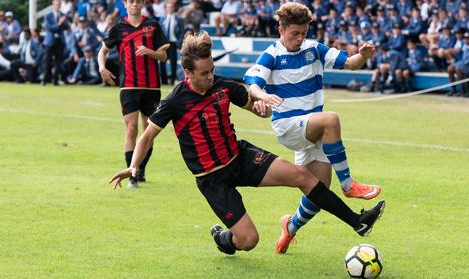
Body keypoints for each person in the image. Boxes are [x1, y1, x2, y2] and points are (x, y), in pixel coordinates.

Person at [109, 32, 386, 256]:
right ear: (187, 72)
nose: (210, 77)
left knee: (303, 176)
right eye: (204, 73)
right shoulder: (175, 101)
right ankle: (224, 238)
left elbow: (253, 105)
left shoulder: (222, 86)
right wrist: (134, 167)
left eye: (212, 70)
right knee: (249, 240)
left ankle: (357, 222)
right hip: (212, 178)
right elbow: (146, 136)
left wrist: (262, 107)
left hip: (239, 157)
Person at [242, 2, 382, 254]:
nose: (299, 38)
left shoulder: (314, 49)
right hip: (288, 127)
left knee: (318, 192)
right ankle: (349, 184)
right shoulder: (271, 55)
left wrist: (364, 56)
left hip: (313, 131)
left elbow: (350, 63)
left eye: (303, 33)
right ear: (281, 29)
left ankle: (290, 227)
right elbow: (252, 84)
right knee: (331, 119)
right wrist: (262, 95)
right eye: (295, 33)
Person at [98, 0, 169, 189]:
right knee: (131, 129)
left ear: (143, 3)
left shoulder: (153, 26)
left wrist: (150, 52)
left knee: (149, 131)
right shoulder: (118, 27)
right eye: (131, 1)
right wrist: (102, 68)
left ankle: (140, 168)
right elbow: (102, 51)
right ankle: (132, 173)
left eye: (138, 1)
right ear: (125, 3)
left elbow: (164, 56)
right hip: (128, 86)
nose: (134, 5)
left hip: (152, 87)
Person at [42, 0, 71, 86]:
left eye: (59, 4)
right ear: (53, 5)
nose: (58, 6)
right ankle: (44, 80)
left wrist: (64, 22)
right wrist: (59, 23)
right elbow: (50, 28)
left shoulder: (63, 15)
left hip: (59, 41)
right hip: (50, 41)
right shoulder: (48, 15)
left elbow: (67, 27)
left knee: (58, 62)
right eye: (56, 4)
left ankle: (55, 80)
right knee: (47, 61)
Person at [159, 1, 185, 85]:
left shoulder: (179, 19)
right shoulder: (162, 19)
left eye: (171, 7)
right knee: (163, 62)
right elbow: (160, 31)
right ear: (166, 8)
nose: (169, 9)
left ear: (173, 8)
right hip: (164, 43)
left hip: (173, 43)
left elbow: (182, 32)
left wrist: (179, 42)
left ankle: (172, 80)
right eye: (168, 7)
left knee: (173, 62)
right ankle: (164, 81)